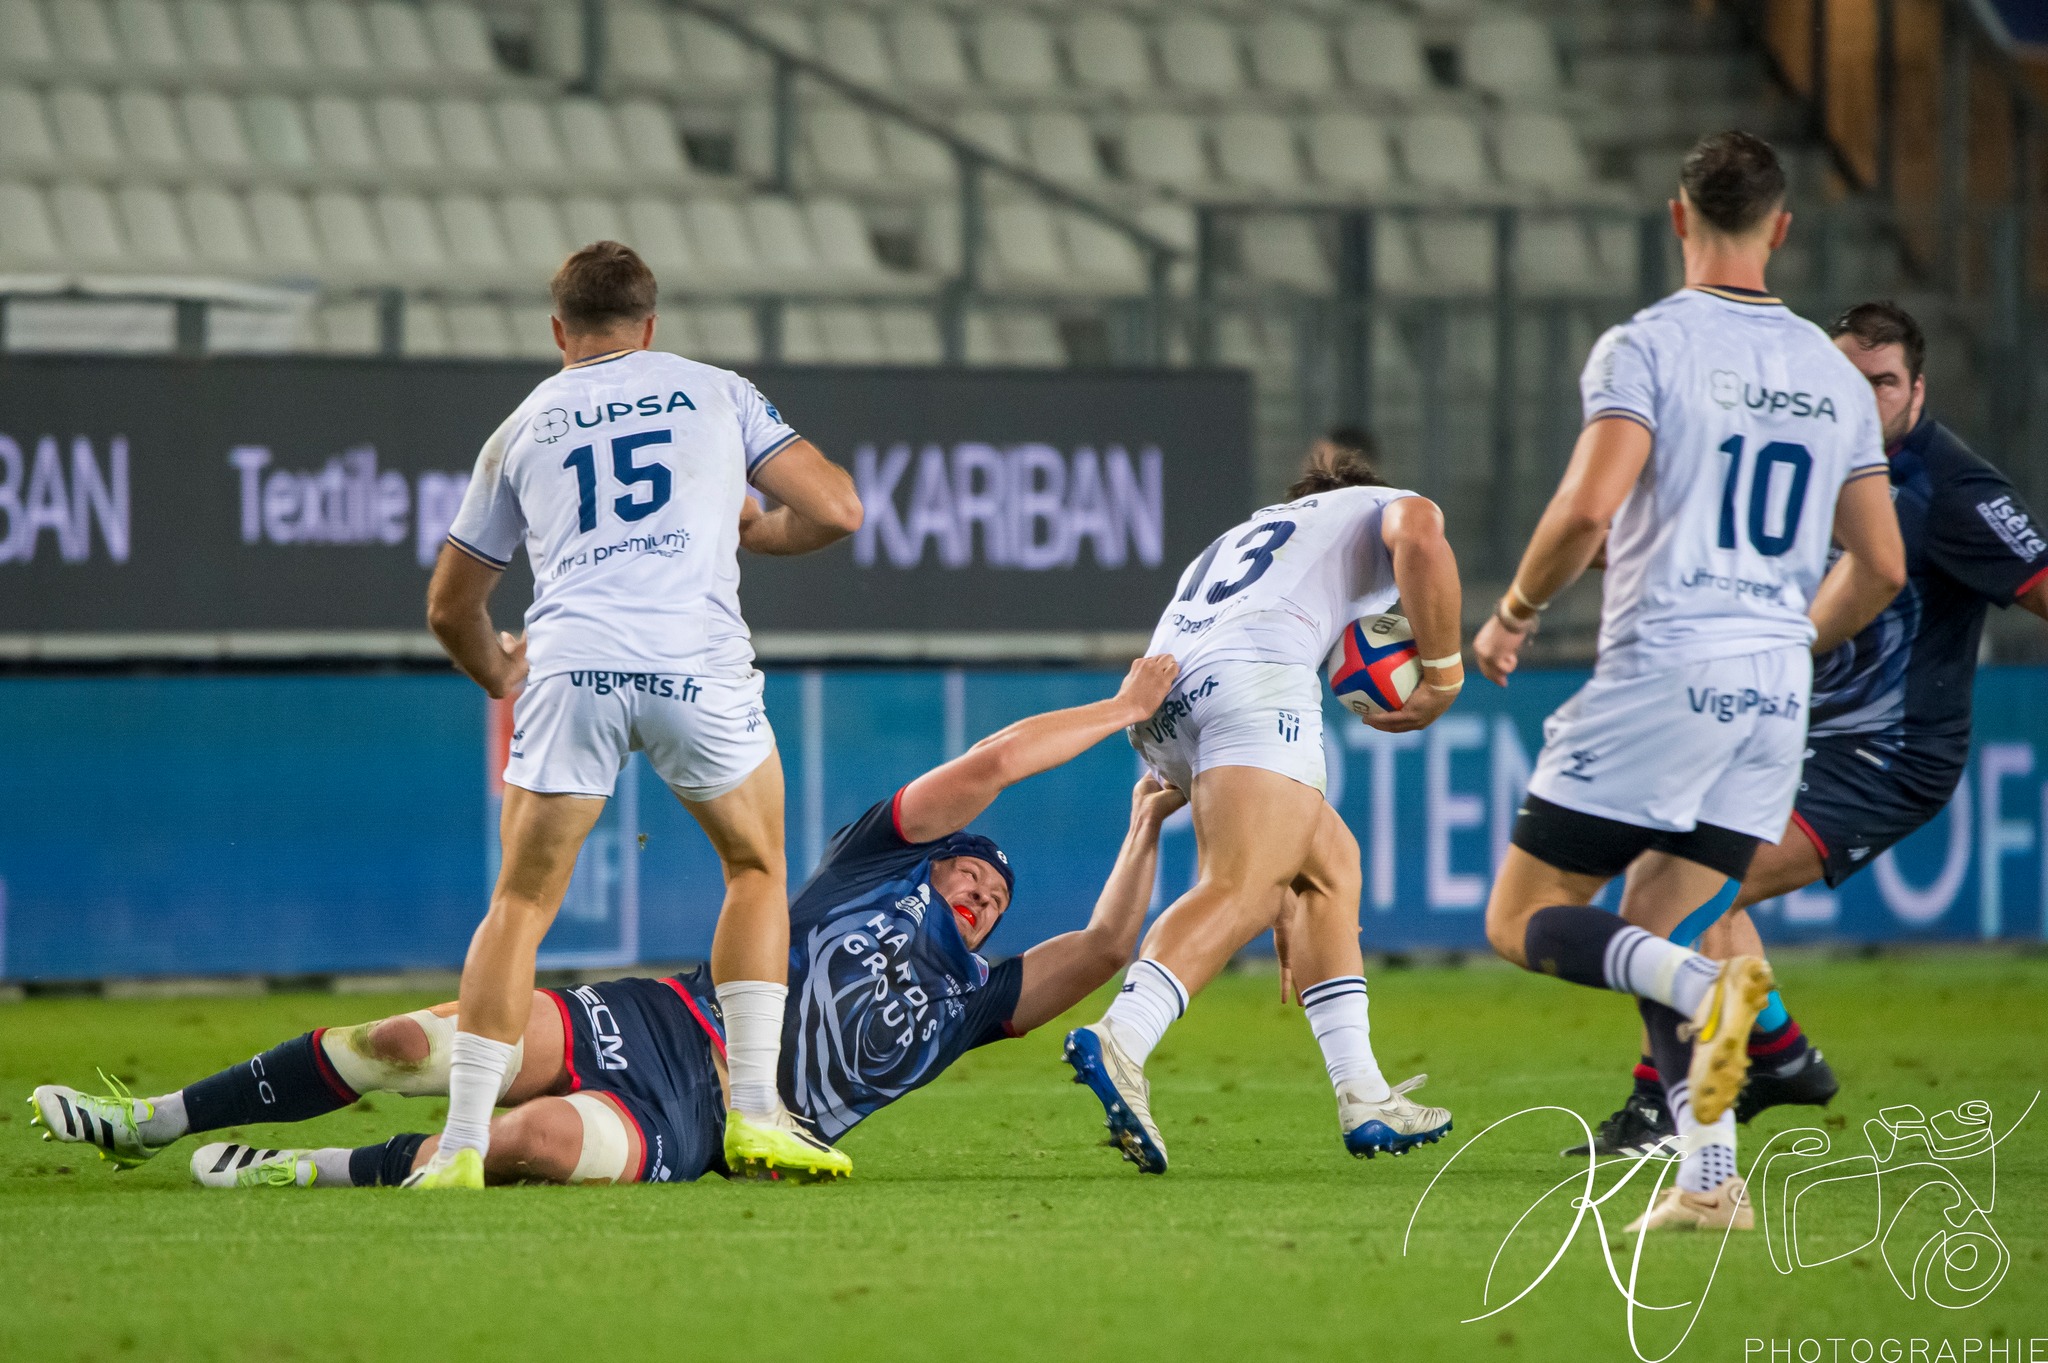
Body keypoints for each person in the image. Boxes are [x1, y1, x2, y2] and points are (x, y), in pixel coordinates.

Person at [29, 662, 1184, 1189]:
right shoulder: (870, 865)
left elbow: (1101, 949)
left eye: (995, 898)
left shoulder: (972, 1001)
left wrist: (1144, 824)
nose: (981, 890)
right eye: (970, 872)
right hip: (658, 1019)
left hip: (699, 1128)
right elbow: (986, 767)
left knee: (528, 1146)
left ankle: (299, 1174)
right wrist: (1126, 710)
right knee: (408, 1044)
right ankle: (157, 1119)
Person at [1470, 130, 1906, 1232]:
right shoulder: (1828, 369)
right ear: (1779, 227)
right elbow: (1881, 564)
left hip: (1668, 661)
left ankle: (1713, 1008)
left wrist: (1514, 611)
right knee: (1661, 917)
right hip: (1770, 688)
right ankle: (1708, 1181)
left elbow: (1584, 506)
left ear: (1676, 218)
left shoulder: (1646, 345)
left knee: (1521, 916)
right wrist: (1784, 643)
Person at [416, 241, 863, 1187]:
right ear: (651, 324)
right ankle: (753, 1114)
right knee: (754, 865)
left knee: (521, 903)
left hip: (571, 666)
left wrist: (498, 670)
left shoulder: (523, 426)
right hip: (693, 665)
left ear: (558, 331)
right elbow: (837, 509)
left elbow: (450, 606)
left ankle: (459, 1145)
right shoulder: (715, 391)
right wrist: (754, 530)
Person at [1568, 301, 2048, 1161]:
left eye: (1884, 383)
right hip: (1789, 732)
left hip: (1884, 753)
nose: (1863, 401)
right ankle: (1778, 1055)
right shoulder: (1799, 460)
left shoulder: (1952, 488)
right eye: (1846, 381)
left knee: (1681, 889)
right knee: (1679, 877)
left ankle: (1674, 1100)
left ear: (1918, 389)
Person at [1061, 434, 1464, 1175]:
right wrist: (1443, 673)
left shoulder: (1244, 536)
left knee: (1330, 864)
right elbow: (1421, 533)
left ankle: (1364, 1092)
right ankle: (1122, 1035)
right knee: (1239, 888)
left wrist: (1280, 874)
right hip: (1256, 681)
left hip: (1160, 710)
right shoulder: (1382, 508)